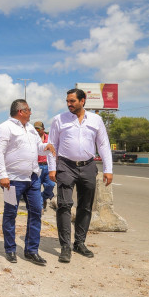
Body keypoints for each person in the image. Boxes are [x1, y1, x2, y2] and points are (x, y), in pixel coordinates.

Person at [47, 88, 113, 264]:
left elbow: (104, 144)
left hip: (88, 166)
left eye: (72, 101)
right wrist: (52, 168)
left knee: (85, 207)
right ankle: (65, 247)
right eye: (67, 101)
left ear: (83, 101)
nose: (69, 104)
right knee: (64, 205)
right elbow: (52, 145)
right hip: (65, 166)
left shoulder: (96, 120)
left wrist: (108, 169)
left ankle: (80, 243)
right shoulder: (59, 120)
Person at [0, 99, 54, 266]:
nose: (31, 113)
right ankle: (10, 249)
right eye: (29, 110)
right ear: (21, 111)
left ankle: (31, 250)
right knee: (10, 213)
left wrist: (46, 147)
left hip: (32, 178)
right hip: (12, 180)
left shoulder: (31, 128)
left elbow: (37, 147)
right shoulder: (5, 128)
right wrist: (3, 175)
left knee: (36, 212)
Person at [34, 121, 57, 212]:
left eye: (38, 129)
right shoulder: (33, 139)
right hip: (37, 167)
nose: (36, 131)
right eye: (35, 129)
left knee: (51, 185)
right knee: (37, 187)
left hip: (48, 167)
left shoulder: (50, 138)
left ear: (43, 129)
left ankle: (43, 197)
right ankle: (41, 207)